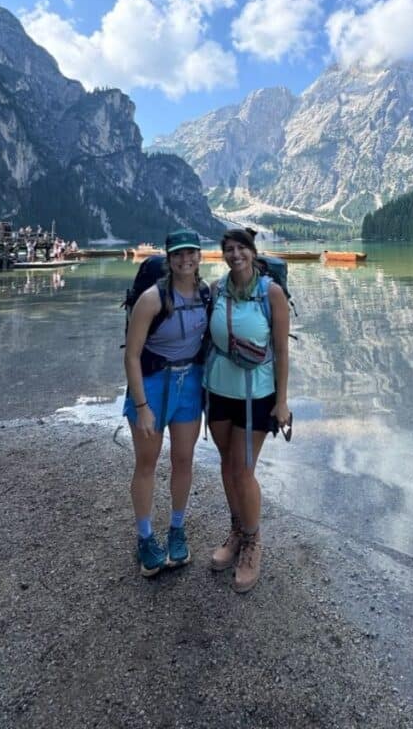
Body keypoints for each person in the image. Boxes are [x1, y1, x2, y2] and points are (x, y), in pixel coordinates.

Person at [203, 228, 290, 593]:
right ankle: (237, 530)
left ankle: (253, 541)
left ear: (254, 253)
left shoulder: (271, 293)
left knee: (243, 470)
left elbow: (283, 352)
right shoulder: (217, 290)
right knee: (227, 464)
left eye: (241, 248)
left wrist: (282, 402)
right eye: (229, 249)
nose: (235, 254)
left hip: (258, 393)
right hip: (219, 388)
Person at [123, 228, 208, 577]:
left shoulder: (206, 294)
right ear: (169, 259)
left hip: (190, 385)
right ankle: (145, 537)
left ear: (199, 256)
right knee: (147, 463)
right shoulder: (152, 299)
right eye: (178, 255)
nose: (185, 260)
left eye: (191, 253)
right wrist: (142, 407)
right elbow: (131, 357)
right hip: (153, 384)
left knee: (184, 460)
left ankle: (176, 529)